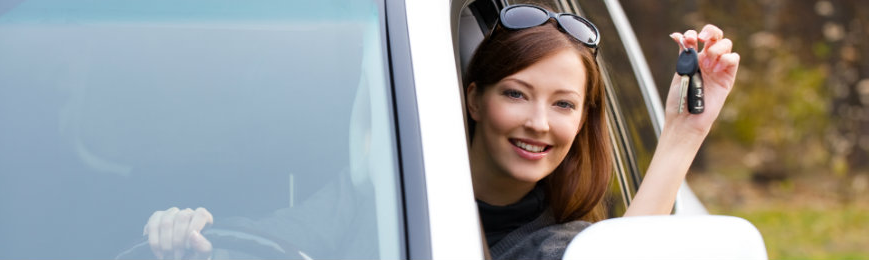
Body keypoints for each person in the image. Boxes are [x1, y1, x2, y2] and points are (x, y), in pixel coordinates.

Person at [141, 4, 740, 260]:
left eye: (563, 104)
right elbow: (260, 241)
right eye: (515, 93)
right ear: (474, 98)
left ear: (582, 121)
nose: (538, 122)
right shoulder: (372, 199)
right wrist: (186, 235)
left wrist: (684, 133)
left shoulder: (556, 244)